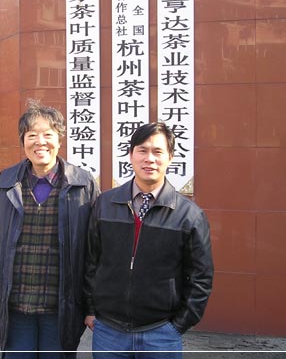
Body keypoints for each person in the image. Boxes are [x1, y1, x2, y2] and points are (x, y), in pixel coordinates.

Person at [0, 100, 100, 357]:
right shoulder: (7, 182)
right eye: (31, 135)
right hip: (15, 308)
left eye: (47, 134)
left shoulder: (83, 185)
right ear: (23, 141)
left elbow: (95, 252)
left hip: (61, 309)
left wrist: (92, 306)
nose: (40, 142)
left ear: (59, 139)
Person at [83, 122, 213, 358]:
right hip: (109, 331)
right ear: (131, 155)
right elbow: (91, 261)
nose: (149, 159)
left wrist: (179, 324)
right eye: (142, 150)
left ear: (170, 157)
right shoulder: (105, 204)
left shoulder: (189, 216)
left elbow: (200, 277)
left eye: (157, 151)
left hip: (161, 333)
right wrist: (91, 310)